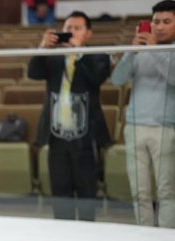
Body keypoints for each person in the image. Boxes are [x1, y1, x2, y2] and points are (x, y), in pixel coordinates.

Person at [28, 11, 111, 221]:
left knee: (86, 196)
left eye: (77, 28)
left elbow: (97, 77)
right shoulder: (53, 56)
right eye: (67, 28)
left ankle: (87, 237)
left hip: (86, 138)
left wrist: (78, 53)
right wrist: (42, 48)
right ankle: (62, 237)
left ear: (88, 33)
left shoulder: (98, 56)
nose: (71, 32)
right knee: (60, 195)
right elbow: (33, 73)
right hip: (57, 136)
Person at [111, 0, 175, 228]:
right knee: (139, 192)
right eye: (156, 22)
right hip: (135, 127)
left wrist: (154, 49)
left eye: (166, 22)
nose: (159, 27)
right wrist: (132, 52)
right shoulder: (140, 49)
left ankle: (167, 239)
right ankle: (144, 237)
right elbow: (117, 79)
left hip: (165, 128)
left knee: (167, 191)